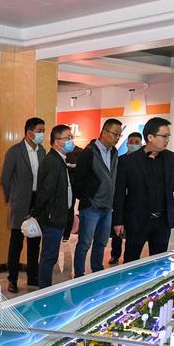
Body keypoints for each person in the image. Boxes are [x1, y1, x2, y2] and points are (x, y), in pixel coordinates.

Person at [112, 117, 174, 262]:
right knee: (131, 260)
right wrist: (118, 221)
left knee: (159, 262)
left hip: (162, 222)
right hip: (137, 221)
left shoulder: (172, 158)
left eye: (168, 136)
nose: (167, 140)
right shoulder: (127, 161)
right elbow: (119, 193)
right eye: (164, 136)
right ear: (150, 137)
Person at [70, 118, 120, 276]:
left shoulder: (114, 152)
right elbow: (79, 180)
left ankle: (97, 271)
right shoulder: (88, 152)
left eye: (119, 135)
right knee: (84, 243)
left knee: (101, 242)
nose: (117, 138)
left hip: (107, 207)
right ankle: (79, 275)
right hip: (91, 207)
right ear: (104, 132)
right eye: (115, 134)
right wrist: (89, 198)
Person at [0, 117, 45, 292]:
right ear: (29, 132)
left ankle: (33, 276)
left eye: (43, 131)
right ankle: (12, 279)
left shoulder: (42, 151)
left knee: (35, 240)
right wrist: (12, 199)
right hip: (19, 202)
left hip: (37, 201)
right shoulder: (14, 151)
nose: (42, 134)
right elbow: (5, 179)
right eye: (40, 131)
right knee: (16, 242)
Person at [33, 125, 74, 288]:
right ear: (57, 142)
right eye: (67, 138)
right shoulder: (52, 161)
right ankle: (44, 290)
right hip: (52, 217)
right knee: (49, 256)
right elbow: (46, 191)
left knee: (51, 255)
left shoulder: (59, 160)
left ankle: (45, 287)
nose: (71, 141)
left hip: (58, 215)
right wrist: (36, 212)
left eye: (71, 137)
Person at [109, 131, 143, 264]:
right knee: (117, 230)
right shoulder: (120, 160)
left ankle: (130, 258)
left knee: (133, 232)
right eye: (131, 142)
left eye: (136, 142)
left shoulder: (143, 162)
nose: (133, 145)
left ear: (141, 144)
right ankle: (115, 254)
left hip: (136, 203)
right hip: (121, 200)